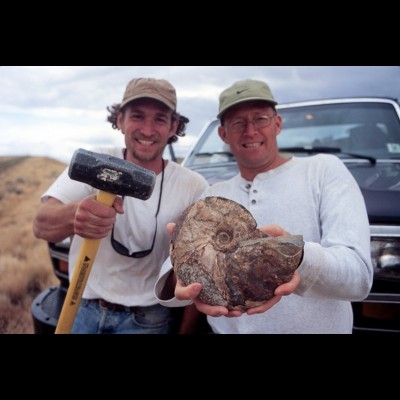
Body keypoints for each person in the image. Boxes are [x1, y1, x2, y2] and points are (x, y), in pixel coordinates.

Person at [155, 79, 373, 334]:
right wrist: (181, 278)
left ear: (277, 124)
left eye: (260, 118)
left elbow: (359, 278)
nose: (250, 130)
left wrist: (295, 256)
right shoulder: (213, 193)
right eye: (238, 123)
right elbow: (171, 276)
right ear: (223, 134)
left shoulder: (324, 170)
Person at [33, 77, 209, 334]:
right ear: (120, 120)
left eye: (160, 119)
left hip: (149, 320)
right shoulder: (97, 161)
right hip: (81, 305)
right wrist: (74, 215)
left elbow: (199, 268)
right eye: (137, 116)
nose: (147, 130)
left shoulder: (193, 187)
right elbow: (41, 224)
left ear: (174, 127)